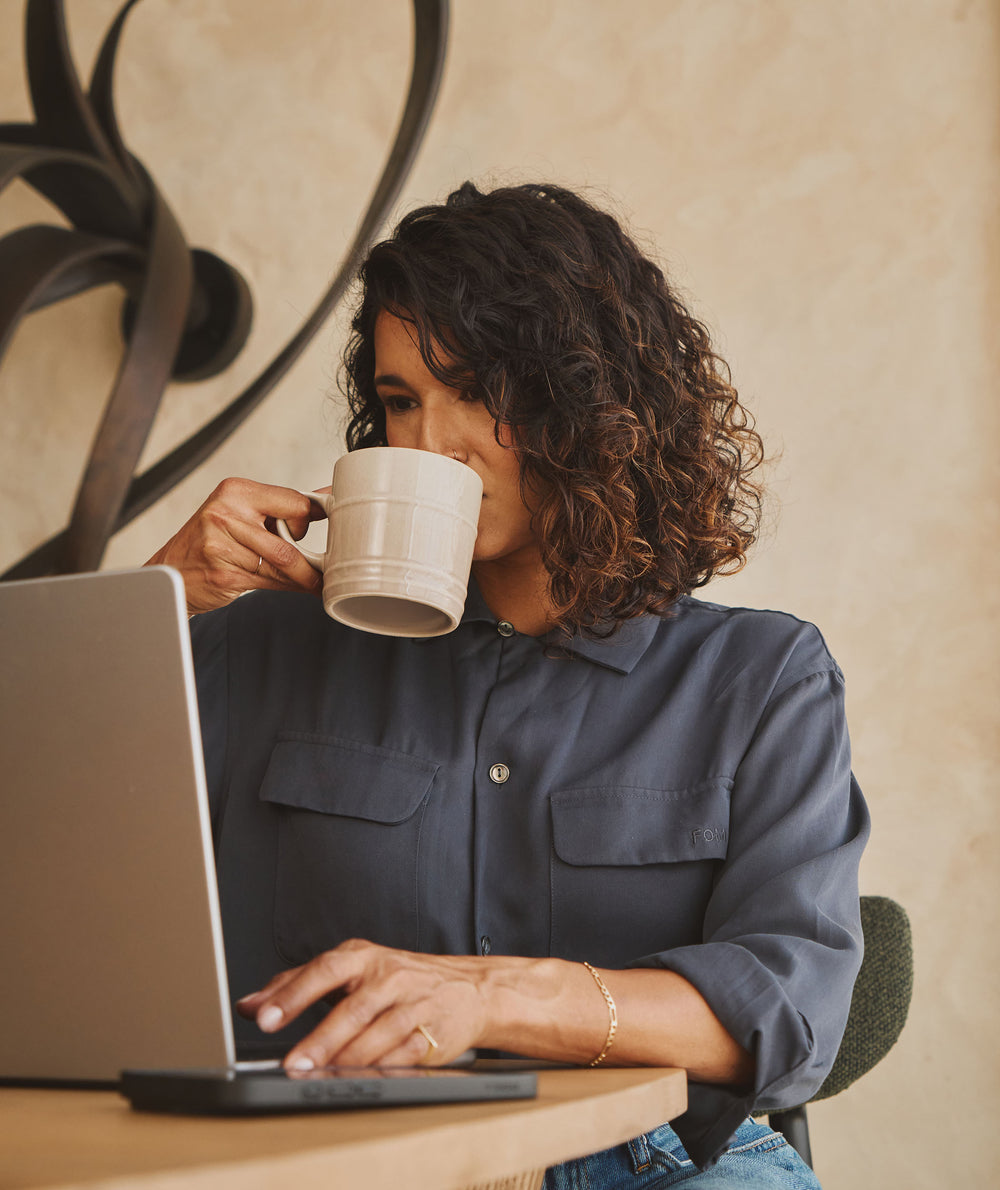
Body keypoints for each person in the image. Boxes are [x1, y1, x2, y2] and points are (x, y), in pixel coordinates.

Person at [148, 181, 869, 1187]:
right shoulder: (256, 639)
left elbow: (792, 1010)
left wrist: (491, 996)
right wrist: (155, 606)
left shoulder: (757, 680)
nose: (426, 442)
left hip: (653, 1160)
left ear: (593, 404)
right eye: (400, 400)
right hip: (337, 1154)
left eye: (480, 389)